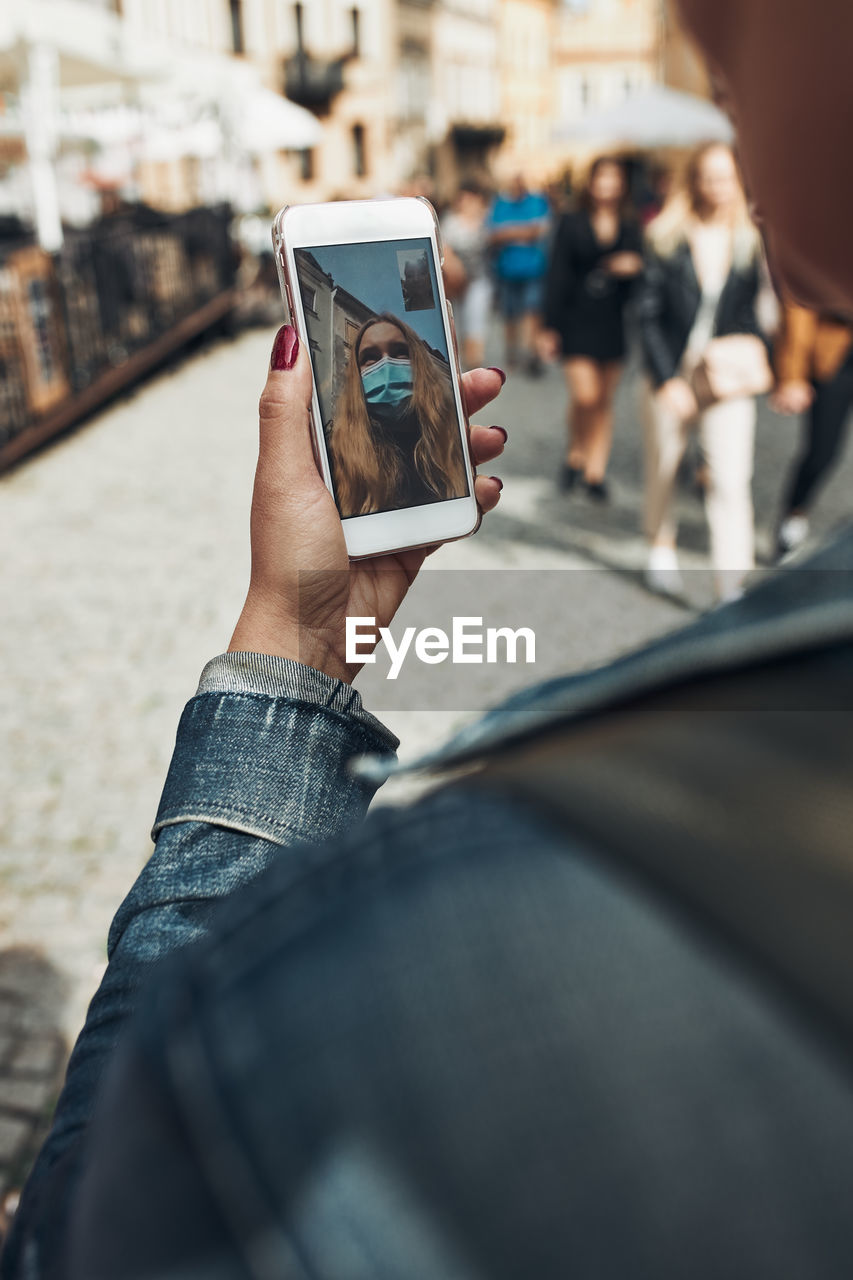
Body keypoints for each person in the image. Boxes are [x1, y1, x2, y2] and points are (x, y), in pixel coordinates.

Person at [4, 3, 853, 1277]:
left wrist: (283, 652)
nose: (696, 21)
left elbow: (87, 1245)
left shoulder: (403, 978)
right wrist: (313, 621)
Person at [639, 141, 769, 602]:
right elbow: (648, 314)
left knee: (732, 479)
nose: (717, 185)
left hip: (725, 373)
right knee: (665, 466)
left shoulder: (751, 240)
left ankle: (731, 584)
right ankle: (661, 547)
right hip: (673, 368)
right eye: (708, 176)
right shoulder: (666, 237)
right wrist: (666, 378)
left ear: (738, 180)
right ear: (694, 181)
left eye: (726, 176)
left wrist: (749, 350)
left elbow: (753, 314)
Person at [542, 156, 644, 499]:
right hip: (576, 319)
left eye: (614, 179)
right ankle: (575, 452)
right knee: (585, 396)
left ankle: (595, 471)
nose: (607, 185)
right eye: (602, 178)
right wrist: (548, 326)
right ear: (591, 182)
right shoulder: (571, 221)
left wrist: (633, 267)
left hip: (612, 319)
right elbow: (556, 274)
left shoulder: (630, 223)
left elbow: (644, 276)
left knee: (604, 401)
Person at [329, 313, 468, 516]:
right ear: (355, 376)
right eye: (370, 357)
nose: (386, 366)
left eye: (400, 352)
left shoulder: (451, 442)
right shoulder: (336, 458)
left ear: (420, 364)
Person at [772, 301, 853, 557]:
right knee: (823, 452)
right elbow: (800, 301)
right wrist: (792, 373)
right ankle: (794, 515)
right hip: (834, 356)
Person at [487, 173, 550, 375]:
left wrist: (508, 232)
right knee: (510, 314)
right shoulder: (499, 203)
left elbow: (539, 231)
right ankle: (512, 351)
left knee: (532, 312)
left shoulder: (537, 202)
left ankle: (531, 353)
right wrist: (524, 231)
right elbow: (493, 235)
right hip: (506, 270)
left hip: (533, 270)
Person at [440, 181, 493, 370]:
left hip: (480, 281)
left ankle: (475, 364)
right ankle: (463, 367)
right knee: (458, 323)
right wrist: (457, 271)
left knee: (475, 323)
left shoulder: (487, 220)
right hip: (456, 285)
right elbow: (444, 250)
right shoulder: (450, 222)